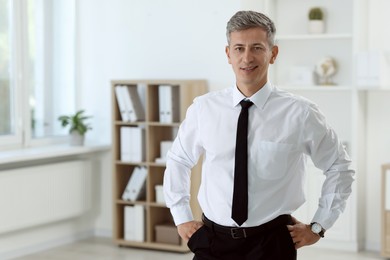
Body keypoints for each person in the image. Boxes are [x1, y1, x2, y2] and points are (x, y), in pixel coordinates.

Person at [163, 10, 354, 260]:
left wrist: (319, 226)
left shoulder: (300, 113)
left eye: (257, 48)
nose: (247, 57)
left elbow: (339, 166)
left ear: (273, 54)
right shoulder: (203, 109)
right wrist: (181, 217)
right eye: (239, 48)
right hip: (212, 242)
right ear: (228, 54)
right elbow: (179, 160)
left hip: (271, 244)